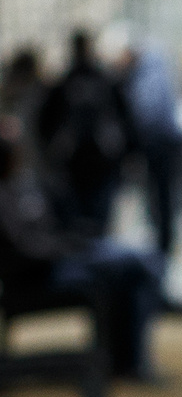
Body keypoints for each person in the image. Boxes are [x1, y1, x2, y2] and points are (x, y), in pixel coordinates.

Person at [0, 120, 182, 382]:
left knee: (132, 261)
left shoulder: (20, 188)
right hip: (43, 273)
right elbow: (24, 251)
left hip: (59, 261)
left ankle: (129, 356)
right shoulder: (7, 196)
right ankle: (132, 358)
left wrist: (72, 242)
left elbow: (47, 233)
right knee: (131, 266)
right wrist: (67, 248)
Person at [34, 29, 133, 243]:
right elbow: (126, 120)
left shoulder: (67, 83)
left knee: (83, 223)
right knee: (93, 222)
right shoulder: (102, 81)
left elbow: (44, 124)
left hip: (84, 163)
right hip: (93, 163)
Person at [119, 34, 182, 259]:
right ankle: (162, 241)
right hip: (163, 144)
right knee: (161, 199)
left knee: (161, 198)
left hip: (159, 145)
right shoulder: (157, 72)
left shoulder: (148, 75)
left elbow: (149, 112)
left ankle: (163, 244)